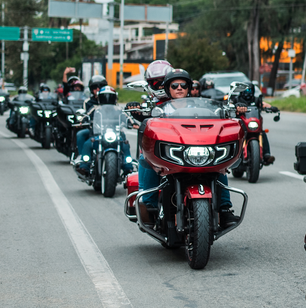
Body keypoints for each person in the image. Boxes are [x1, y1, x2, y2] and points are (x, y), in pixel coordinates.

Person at [136, 66, 238, 227]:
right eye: (174, 86)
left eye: (183, 86)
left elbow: (216, 117)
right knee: (146, 158)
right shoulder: (161, 108)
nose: (179, 89)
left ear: (189, 88)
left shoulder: (200, 108)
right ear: (168, 89)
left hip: (195, 149)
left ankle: (225, 210)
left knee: (219, 166)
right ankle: (150, 206)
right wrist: (139, 112)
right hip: (175, 153)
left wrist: (231, 111)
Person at [75, 85, 135, 175]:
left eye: (110, 96)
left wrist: (132, 123)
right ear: (100, 98)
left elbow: (127, 118)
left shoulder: (118, 109)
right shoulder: (95, 109)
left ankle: (128, 167)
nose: (107, 99)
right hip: (99, 134)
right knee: (88, 144)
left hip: (115, 134)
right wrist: (82, 121)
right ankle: (84, 165)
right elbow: (86, 116)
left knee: (124, 144)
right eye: (104, 96)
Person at [229, 82, 276, 165]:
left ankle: (266, 155)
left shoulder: (256, 99)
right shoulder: (237, 99)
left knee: (262, 133)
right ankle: (231, 155)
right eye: (246, 90)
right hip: (241, 125)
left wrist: (271, 108)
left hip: (253, 122)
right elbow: (230, 105)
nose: (248, 92)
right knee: (234, 135)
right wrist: (234, 107)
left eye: (250, 90)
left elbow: (263, 104)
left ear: (253, 91)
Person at [74, 75, 108, 171]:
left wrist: (129, 122)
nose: (97, 89)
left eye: (100, 87)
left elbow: (118, 112)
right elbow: (84, 115)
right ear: (91, 89)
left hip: (109, 130)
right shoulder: (88, 102)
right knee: (81, 134)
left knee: (123, 140)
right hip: (93, 129)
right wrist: (81, 121)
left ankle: (127, 165)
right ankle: (83, 161)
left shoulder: (111, 99)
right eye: (95, 87)